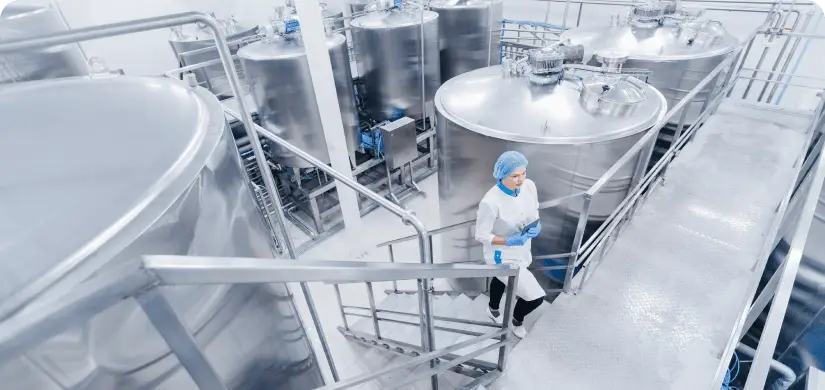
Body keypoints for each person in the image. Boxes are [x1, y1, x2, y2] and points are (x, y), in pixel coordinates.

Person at [474, 151, 544, 339]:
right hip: (501, 254)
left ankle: (493, 309)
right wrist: (508, 240)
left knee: (501, 279)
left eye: (523, 173)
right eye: (514, 176)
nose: (520, 180)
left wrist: (537, 225)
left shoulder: (529, 186)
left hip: (522, 248)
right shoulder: (491, 202)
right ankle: (516, 321)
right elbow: (481, 234)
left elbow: (534, 209)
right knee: (535, 296)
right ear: (502, 175)